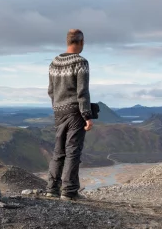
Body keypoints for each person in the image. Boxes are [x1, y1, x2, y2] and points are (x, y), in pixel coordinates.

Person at [46, 29, 93, 201]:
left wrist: (56, 106)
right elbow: (82, 92)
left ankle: (52, 189)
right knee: (73, 150)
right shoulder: (81, 62)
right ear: (80, 42)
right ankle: (70, 191)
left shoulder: (54, 62)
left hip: (58, 111)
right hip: (74, 112)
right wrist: (87, 116)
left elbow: (51, 90)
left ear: (68, 41)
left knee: (58, 151)